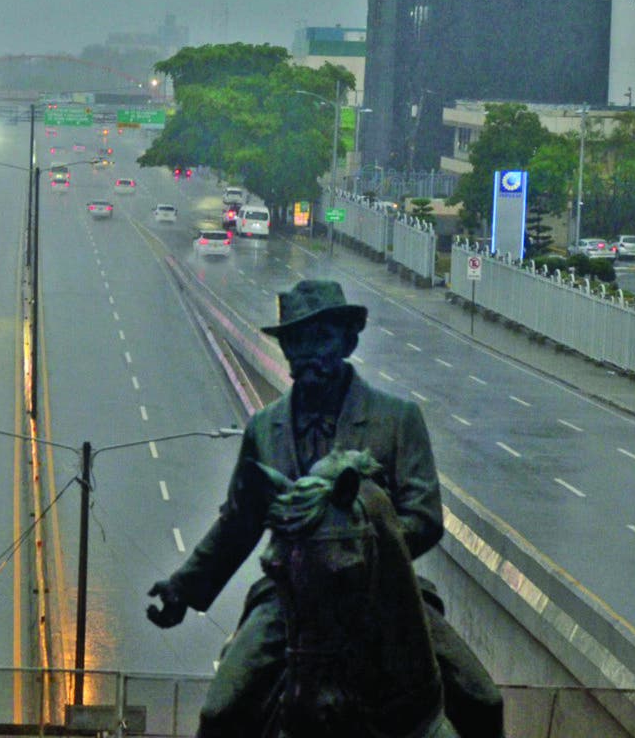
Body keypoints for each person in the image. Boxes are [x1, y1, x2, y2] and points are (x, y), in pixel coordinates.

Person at [146, 279, 503, 738]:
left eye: (322, 338)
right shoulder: (265, 428)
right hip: (289, 602)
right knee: (221, 712)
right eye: (297, 341)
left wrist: (360, 552)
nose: (309, 353)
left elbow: (425, 515)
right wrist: (184, 588)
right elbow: (239, 523)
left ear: (348, 341)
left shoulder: (397, 420)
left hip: (389, 599)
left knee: (480, 698)